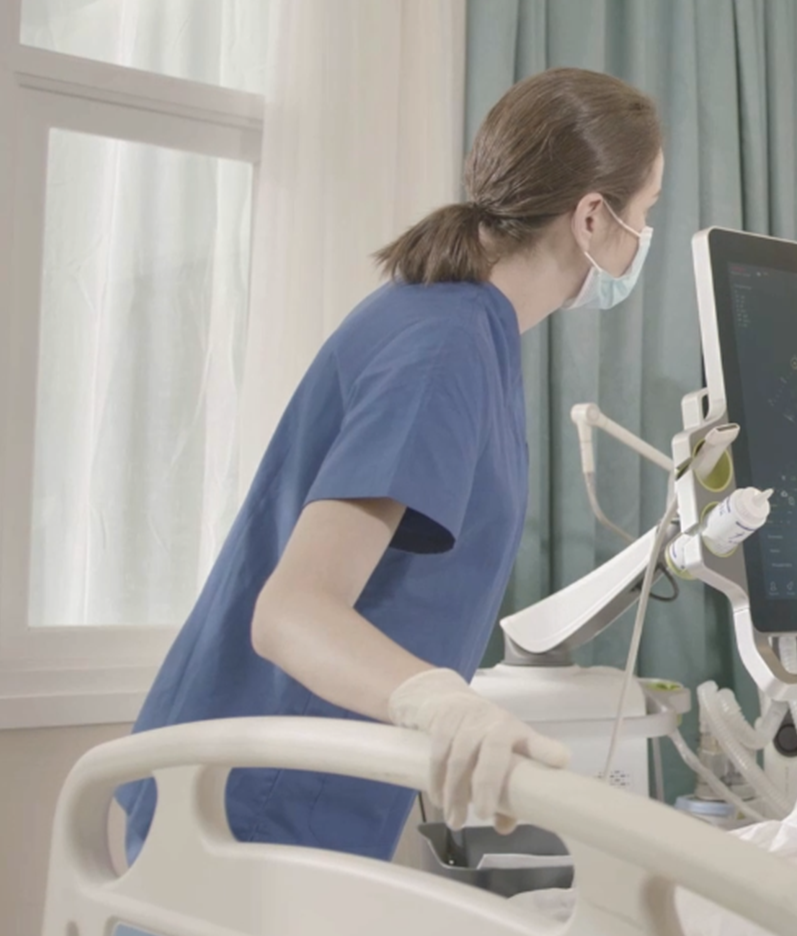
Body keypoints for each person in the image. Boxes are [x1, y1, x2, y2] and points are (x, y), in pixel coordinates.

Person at [116, 68, 666, 863]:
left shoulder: (461, 328)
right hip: (251, 817)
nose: (642, 237)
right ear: (591, 216)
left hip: (274, 807)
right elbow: (291, 611)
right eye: (643, 213)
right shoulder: (444, 346)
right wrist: (444, 705)